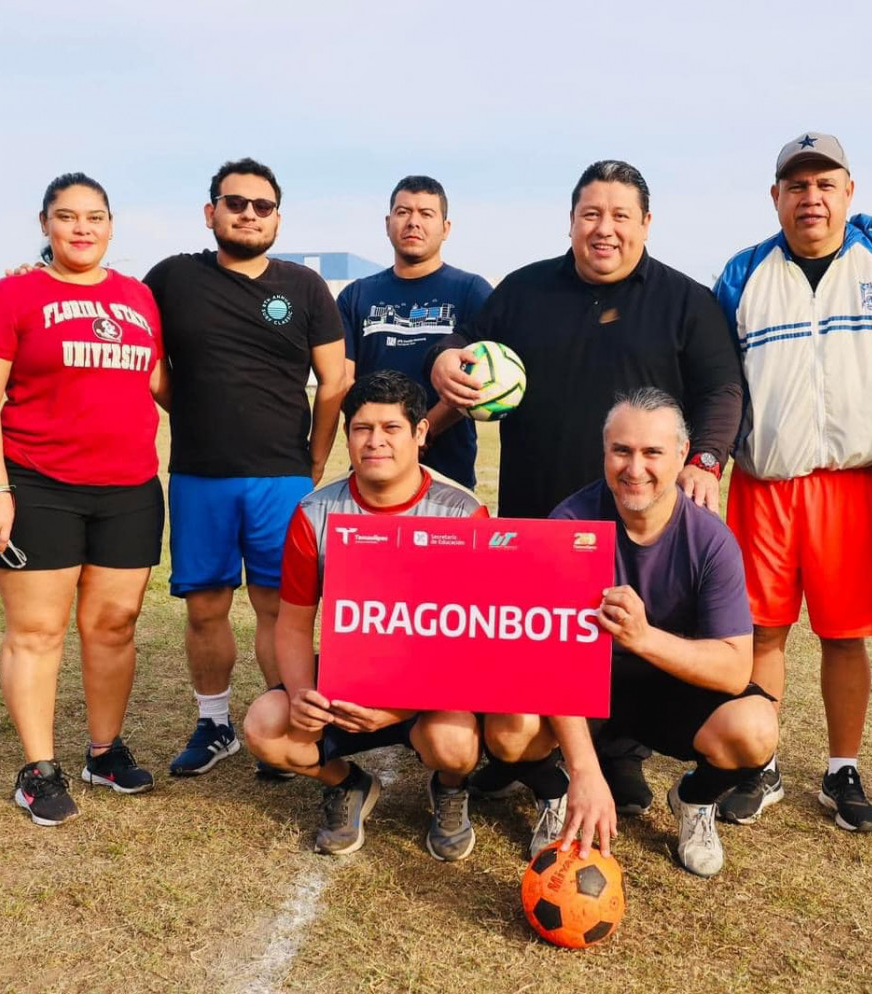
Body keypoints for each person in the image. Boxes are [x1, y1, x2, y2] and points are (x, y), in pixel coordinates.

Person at [431, 160, 743, 812]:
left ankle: (619, 755)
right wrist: (444, 359)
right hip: (539, 509)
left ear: (646, 223)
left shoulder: (686, 301)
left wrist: (706, 459)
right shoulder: (523, 290)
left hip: (635, 513)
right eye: (591, 214)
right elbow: (470, 345)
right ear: (571, 221)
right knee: (538, 641)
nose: (605, 229)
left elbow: (721, 388)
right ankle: (526, 760)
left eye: (620, 215)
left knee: (624, 635)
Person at [712, 132, 872, 832]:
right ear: (775, 197)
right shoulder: (742, 274)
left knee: (844, 634)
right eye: (797, 186)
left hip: (850, 482)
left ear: (848, 192)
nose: (811, 198)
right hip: (765, 481)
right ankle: (761, 763)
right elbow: (719, 380)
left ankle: (842, 770)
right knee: (762, 632)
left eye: (825, 184)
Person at [482, 389, 778, 878]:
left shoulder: (710, 539)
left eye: (652, 452)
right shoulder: (570, 523)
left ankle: (693, 800)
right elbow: (550, 661)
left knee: (755, 728)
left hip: (668, 689)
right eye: (621, 450)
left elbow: (733, 669)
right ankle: (555, 794)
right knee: (507, 728)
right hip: (584, 688)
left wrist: (643, 638)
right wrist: (584, 771)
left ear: (681, 454)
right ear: (604, 452)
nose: (634, 468)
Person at [0, 172, 167, 826]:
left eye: (95, 216)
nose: (82, 227)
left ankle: (104, 753)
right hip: (35, 485)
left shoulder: (138, 297)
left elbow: (160, 382)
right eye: (68, 216)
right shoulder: (12, 294)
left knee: (114, 626)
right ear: (45, 224)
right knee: (37, 631)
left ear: (111, 225)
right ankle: (38, 770)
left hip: (129, 488)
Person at [143, 158, 349, 778]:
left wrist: (315, 456)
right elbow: (147, 360)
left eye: (263, 206)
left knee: (278, 606)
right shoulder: (172, 278)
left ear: (277, 218)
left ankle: (278, 719)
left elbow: (334, 380)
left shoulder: (304, 287)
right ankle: (214, 725)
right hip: (199, 475)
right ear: (211, 212)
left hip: (280, 477)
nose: (249, 214)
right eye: (236, 203)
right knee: (205, 605)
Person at [243, 371, 487, 860]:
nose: (375, 441)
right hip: (346, 681)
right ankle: (347, 783)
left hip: (428, 685)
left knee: (456, 744)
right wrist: (301, 695)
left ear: (420, 432)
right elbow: (292, 622)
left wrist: (401, 707)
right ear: (348, 434)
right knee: (264, 726)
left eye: (391, 428)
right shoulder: (314, 513)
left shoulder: (462, 513)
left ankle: (450, 787)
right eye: (362, 428)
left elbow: (474, 640)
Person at [337, 176, 492, 489]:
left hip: (448, 473)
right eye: (403, 212)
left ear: (445, 228)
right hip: (375, 465)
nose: (413, 222)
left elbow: (480, 378)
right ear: (388, 223)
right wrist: (384, 433)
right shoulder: (356, 296)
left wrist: (424, 431)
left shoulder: (472, 291)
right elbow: (343, 380)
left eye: (426, 213)